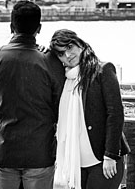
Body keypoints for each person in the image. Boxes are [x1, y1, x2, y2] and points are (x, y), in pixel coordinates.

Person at [0, 1, 65, 189]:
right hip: (40, 152)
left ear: (11, 26)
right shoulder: (51, 62)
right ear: (39, 28)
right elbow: (62, 106)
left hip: (3, 150)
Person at [49, 29, 128, 189]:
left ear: (80, 43)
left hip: (102, 161)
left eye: (70, 47)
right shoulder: (65, 79)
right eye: (61, 54)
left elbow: (115, 114)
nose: (68, 55)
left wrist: (110, 156)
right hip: (76, 163)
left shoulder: (102, 70)